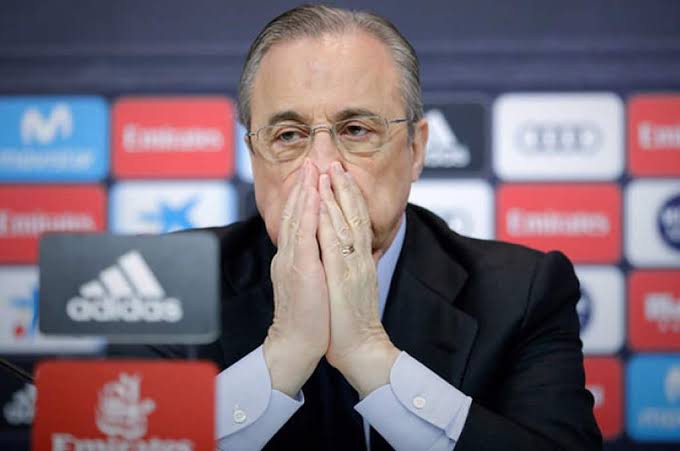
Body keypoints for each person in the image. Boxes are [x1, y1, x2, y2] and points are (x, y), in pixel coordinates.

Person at [127, 4, 603, 450]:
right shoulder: (165, 283)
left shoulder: (523, 292)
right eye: (288, 136)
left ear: (416, 150)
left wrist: (370, 356)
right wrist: (282, 358)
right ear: (254, 155)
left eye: (356, 130)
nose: (321, 166)